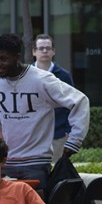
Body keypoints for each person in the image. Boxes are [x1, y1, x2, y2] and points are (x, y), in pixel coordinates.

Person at [0, 33, 89, 196]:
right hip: (6, 163)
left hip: (36, 164)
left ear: (17, 57)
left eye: (4, 59)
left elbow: (80, 101)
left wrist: (74, 141)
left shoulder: (42, 80)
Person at [32, 34, 76, 164]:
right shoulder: (26, 75)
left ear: (53, 51)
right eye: (41, 48)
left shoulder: (64, 76)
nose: (44, 51)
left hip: (58, 135)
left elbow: (72, 104)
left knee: (56, 171)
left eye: (48, 48)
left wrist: (69, 131)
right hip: (32, 136)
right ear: (34, 51)